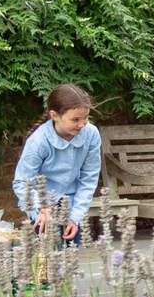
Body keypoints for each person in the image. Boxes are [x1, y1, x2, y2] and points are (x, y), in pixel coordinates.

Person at [12, 83, 101, 245]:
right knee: (48, 257)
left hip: (73, 204)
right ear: (54, 115)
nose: (82, 124)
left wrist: (76, 216)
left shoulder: (91, 134)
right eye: (75, 120)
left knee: (70, 256)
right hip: (42, 208)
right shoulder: (38, 141)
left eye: (85, 118)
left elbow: (89, 177)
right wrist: (41, 207)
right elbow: (21, 182)